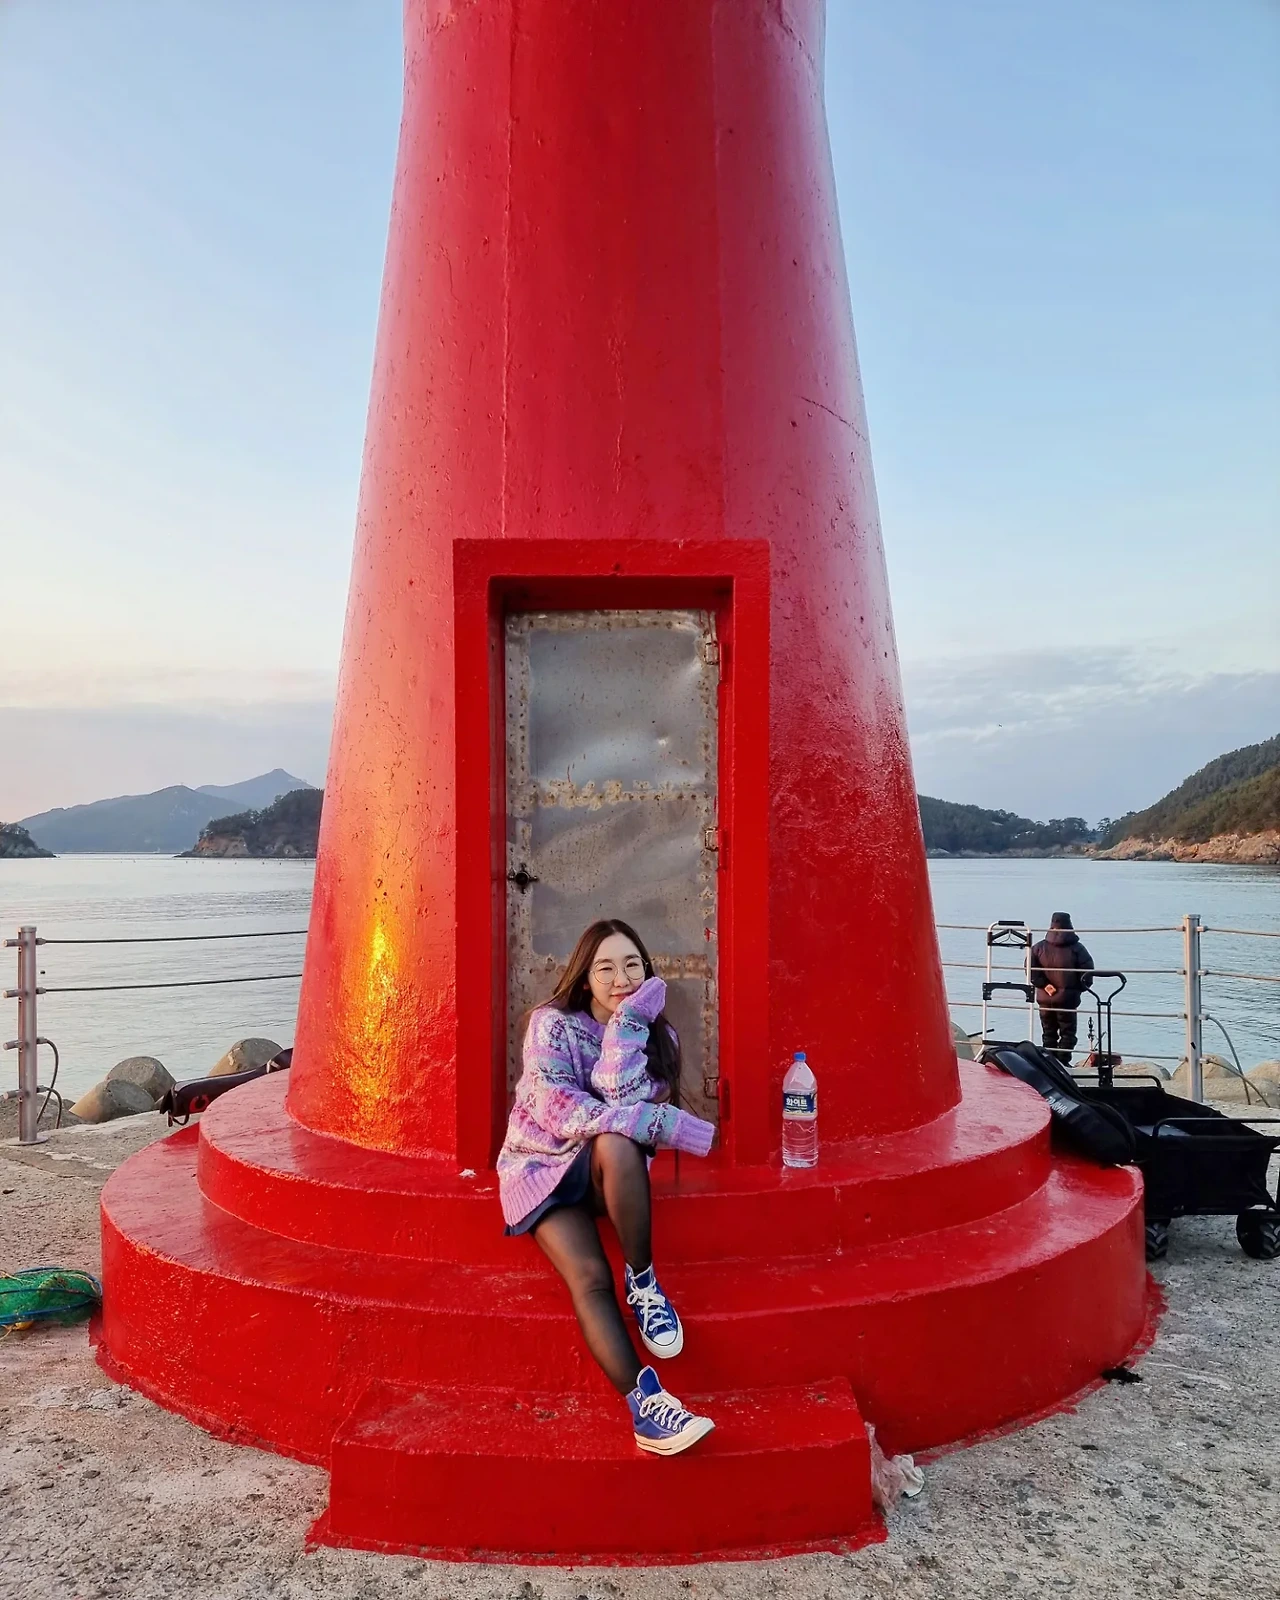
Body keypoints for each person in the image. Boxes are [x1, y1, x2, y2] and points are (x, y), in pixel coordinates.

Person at [497, 917, 718, 1456]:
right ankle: (648, 1406)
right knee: (591, 1277)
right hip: (539, 1165)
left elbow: (622, 1097)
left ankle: (642, 1282)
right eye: (605, 968)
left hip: (605, 1171)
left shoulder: (657, 1036)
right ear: (584, 976)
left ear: (647, 970)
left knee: (619, 1143)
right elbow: (556, 1109)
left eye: (632, 965)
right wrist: (662, 1124)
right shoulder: (551, 1024)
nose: (621, 979)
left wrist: (628, 1024)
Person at [1029, 912, 1095, 1065]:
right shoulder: (1077, 948)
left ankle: (1049, 1063)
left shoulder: (1038, 948)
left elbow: (1030, 969)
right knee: (1068, 1033)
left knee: (1048, 1032)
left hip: (1045, 999)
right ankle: (1063, 1063)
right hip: (1067, 1000)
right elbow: (1088, 973)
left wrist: (1044, 985)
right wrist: (1077, 989)